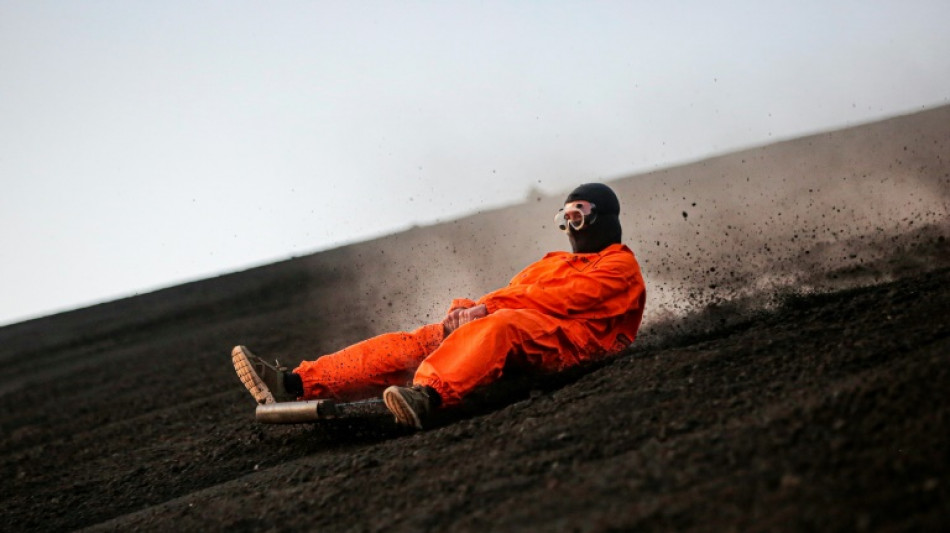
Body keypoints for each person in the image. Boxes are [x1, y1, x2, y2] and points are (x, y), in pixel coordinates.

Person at [231, 183, 646, 429]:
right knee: (424, 338)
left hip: (575, 343)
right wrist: (463, 311)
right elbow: (511, 293)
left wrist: (486, 311)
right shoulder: (554, 261)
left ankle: (426, 396)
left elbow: (565, 301)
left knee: (503, 325)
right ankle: (295, 383)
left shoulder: (620, 265)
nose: (570, 226)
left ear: (603, 218)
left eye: (579, 215)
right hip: (522, 327)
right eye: (565, 217)